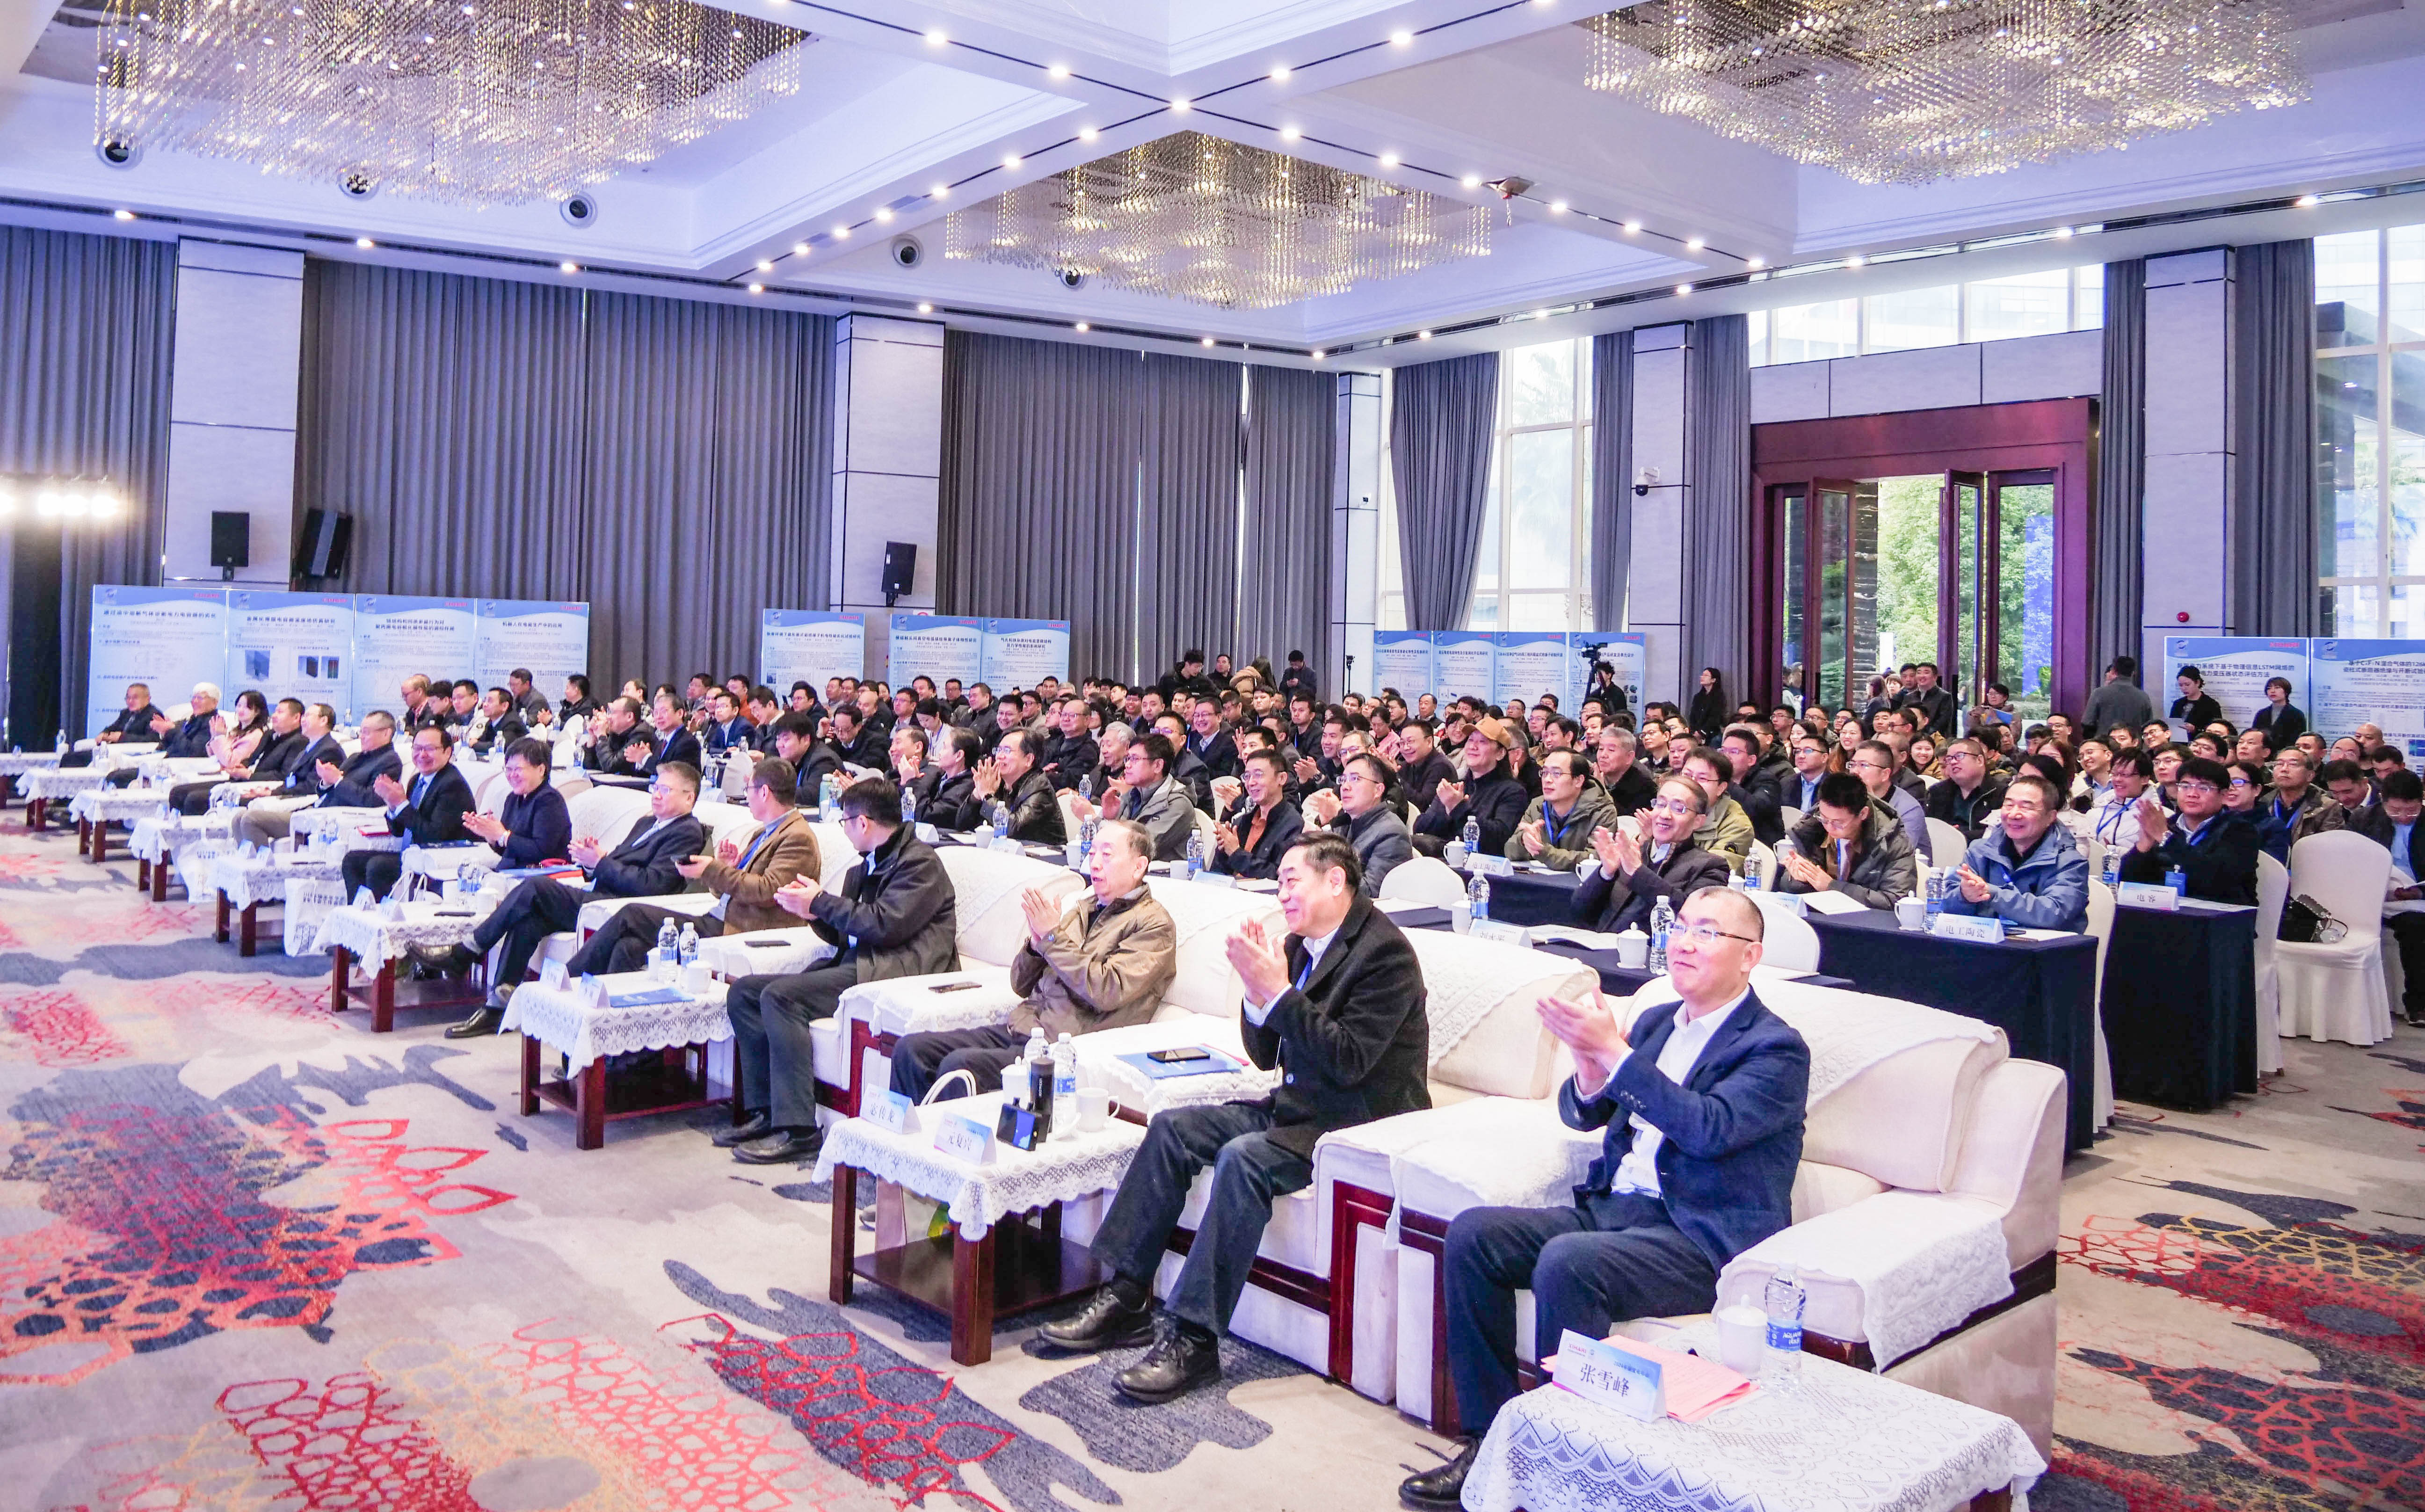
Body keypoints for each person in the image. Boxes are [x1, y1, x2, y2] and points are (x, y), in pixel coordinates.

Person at [1400, 888, 1808, 1510]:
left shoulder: (1775, 1048)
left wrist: (1614, 1054)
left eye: (1707, 932)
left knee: (1569, 1262)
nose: (1684, 943)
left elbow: (1707, 1130)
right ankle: (1492, 1446)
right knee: (1474, 1235)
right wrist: (1590, 1073)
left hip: (1696, 1236)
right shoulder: (1657, 1021)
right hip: (1614, 1209)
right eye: (1680, 927)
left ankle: (1567, 1473)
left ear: (1750, 956)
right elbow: (1583, 1113)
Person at [1041, 834, 1428, 1401]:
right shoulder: (1300, 944)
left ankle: (1195, 1340)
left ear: (1335, 880)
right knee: (1174, 1128)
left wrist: (1279, 994)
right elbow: (1267, 1054)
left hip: (1354, 1127)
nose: (1282, 894)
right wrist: (1255, 994)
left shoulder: (1385, 955)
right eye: (1280, 883)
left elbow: (1350, 1061)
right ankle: (1126, 1296)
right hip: (1296, 1110)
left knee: (1243, 1159)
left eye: (1292, 881)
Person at [722, 779, 959, 1164]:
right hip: (861, 963)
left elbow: (884, 926)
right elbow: (845, 932)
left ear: (862, 822)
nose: (845, 830)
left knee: (781, 998)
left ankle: (800, 1130)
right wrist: (811, 911)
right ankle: (766, 1112)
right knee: (745, 993)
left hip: (895, 971)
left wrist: (820, 902)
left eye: (846, 822)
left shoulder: (920, 865)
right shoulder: (865, 865)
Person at [888, 819, 1178, 1101]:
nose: (1095, 863)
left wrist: (1052, 938)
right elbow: (1020, 984)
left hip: (1062, 1051)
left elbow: (1106, 990)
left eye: (1107, 855)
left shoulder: (1154, 925)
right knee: (911, 1050)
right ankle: (910, 1134)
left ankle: (950, 1134)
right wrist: (1036, 947)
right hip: (1025, 1031)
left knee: (960, 1067)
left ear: (1139, 866)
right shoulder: (1083, 909)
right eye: (1092, 853)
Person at [426, 763, 708, 1037]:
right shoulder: (647, 823)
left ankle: (466, 952)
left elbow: (651, 885)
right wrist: (592, 861)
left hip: (617, 908)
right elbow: (615, 864)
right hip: (599, 894)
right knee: (528, 920)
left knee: (535, 888)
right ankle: (495, 1009)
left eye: (666, 790)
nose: (656, 795)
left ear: (689, 798)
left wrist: (601, 863)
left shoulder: (686, 832)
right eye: (655, 787)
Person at [565, 757, 820, 978]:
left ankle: (566, 981)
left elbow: (769, 892)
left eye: (748, 788)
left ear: (764, 792)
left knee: (631, 914)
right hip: (720, 918)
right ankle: (607, 1015)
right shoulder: (764, 833)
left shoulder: (797, 837)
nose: (746, 795)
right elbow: (730, 889)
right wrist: (728, 867)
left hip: (740, 929)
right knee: (628, 947)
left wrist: (713, 869)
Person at [1571, 776, 1731, 934]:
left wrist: (1638, 872)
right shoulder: (1633, 851)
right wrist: (1605, 874)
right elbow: (1579, 911)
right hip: (1601, 943)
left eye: (1678, 808)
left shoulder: (1711, 866)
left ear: (1698, 821)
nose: (1665, 815)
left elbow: (1692, 918)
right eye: (1660, 804)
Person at [341, 725, 475, 902]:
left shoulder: (452, 785)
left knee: (378, 866)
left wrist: (401, 804)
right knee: (352, 861)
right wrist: (392, 804)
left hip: (436, 860)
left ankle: (381, 916)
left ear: (447, 752)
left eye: (430, 749)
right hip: (412, 855)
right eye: (417, 748)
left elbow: (434, 835)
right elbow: (398, 831)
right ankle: (359, 913)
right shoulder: (416, 780)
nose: (422, 755)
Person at [1941, 773, 2090, 931]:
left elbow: (2054, 913)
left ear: (2050, 817)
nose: (2013, 814)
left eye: (2026, 807)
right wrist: (1964, 896)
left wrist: (1993, 894)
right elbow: (1945, 904)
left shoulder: (2070, 863)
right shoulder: (1979, 852)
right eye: (2008, 805)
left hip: (2046, 946)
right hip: (1986, 943)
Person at [2117, 755, 2260, 906]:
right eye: (2185, 786)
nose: (2192, 794)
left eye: (2204, 788)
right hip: (2168, 912)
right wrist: (2143, 847)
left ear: (2224, 795)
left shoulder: (2240, 830)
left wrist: (2166, 838)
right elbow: (2127, 883)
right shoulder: (2169, 825)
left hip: (2219, 915)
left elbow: (2217, 881)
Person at [1777, 771, 1918, 908]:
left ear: (1863, 814)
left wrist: (1832, 887)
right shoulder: (1811, 830)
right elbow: (1787, 889)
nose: (1829, 828)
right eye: (1824, 819)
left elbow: (1895, 900)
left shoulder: (1893, 841)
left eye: (1838, 823)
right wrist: (1800, 880)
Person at [2355, 770, 2425, 1025]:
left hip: (2417, 901)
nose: (2404, 817)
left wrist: (2419, 891)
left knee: (2415, 927)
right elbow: (2350, 862)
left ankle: (2417, 1004)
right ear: (2383, 801)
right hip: (2372, 896)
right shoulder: (2364, 820)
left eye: (2412, 811)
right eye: (2395, 811)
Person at [1071, 732, 1197, 861]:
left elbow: (1141, 848)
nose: (1127, 765)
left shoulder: (1179, 805)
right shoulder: (1132, 795)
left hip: (1166, 873)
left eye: (1135, 759)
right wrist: (1110, 817)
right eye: (1128, 758)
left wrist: (1093, 819)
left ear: (1158, 766)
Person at [1414, 718, 1528, 858]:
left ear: (1500, 753)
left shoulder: (1513, 792)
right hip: (1444, 862)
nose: (1473, 746)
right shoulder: (1458, 786)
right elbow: (1420, 827)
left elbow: (1499, 839)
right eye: (1471, 740)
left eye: (1483, 742)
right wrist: (1447, 810)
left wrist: (1458, 808)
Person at [1304, 752, 1413, 896]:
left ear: (1378, 790)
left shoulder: (1392, 833)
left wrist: (1324, 869)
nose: (1345, 787)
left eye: (1355, 779)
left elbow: (1370, 893)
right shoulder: (1344, 823)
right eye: (1343, 780)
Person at [455, 737, 572, 869]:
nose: (512, 775)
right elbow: (507, 851)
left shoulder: (550, 800)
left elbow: (542, 852)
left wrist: (502, 835)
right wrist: (491, 836)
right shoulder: (513, 798)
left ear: (541, 770)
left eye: (518, 769)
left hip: (541, 876)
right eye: (509, 769)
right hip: (512, 872)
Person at [1506, 749, 1618, 871]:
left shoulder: (1602, 811)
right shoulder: (1537, 806)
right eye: (1544, 773)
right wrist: (1524, 841)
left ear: (1579, 780)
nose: (1547, 780)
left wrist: (1545, 852)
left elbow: (1596, 859)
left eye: (1556, 774)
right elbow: (1509, 850)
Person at [1212, 749, 1302, 880]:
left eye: (1259, 775)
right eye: (1247, 776)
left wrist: (1235, 853)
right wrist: (1224, 851)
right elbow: (1217, 874)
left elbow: (1278, 875)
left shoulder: (1293, 825)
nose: (1251, 783)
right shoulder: (1242, 821)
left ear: (1282, 779)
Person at [971, 728, 1064, 845]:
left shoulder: (1040, 788)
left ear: (1029, 759)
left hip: (1045, 854)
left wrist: (987, 796)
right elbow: (962, 825)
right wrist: (977, 794)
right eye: (999, 750)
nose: (999, 756)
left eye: (1007, 751)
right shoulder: (998, 783)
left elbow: (1014, 829)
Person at [2252, 747, 2344, 861]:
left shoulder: (2326, 807)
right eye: (2279, 764)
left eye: (2293, 764)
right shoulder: (2261, 802)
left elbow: (2329, 852)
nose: (2284, 769)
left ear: (2310, 775)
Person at [1678, 746, 1753, 873]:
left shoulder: (1738, 825)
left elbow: (1712, 871)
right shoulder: (1668, 809)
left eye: (1703, 778)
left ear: (1721, 788)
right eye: (1687, 775)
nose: (1691, 783)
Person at [1846, 739, 1928, 855]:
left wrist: (1873, 802)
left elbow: (1899, 854)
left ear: (1885, 774)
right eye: (1853, 765)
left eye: (1864, 765)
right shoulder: (1849, 796)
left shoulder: (1908, 809)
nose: (1855, 771)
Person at [1924, 738, 2010, 842]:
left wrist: (1959, 835)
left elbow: (2000, 833)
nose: (1953, 762)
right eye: (1949, 759)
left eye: (1960, 756)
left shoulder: (2001, 793)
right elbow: (1929, 829)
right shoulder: (1938, 792)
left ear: (1979, 760)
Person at [316, 710, 405, 809]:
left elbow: (371, 800)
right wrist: (326, 781)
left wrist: (337, 780)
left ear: (386, 734)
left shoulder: (390, 761)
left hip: (347, 815)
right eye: (361, 732)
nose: (361, 737)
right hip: (323, 809)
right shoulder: (354, 757)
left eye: (366, 732)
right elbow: (325, 793)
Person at [62, 683, 155, 766]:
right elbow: (112, 728)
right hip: (113, 748)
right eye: (128, 698)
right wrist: (104, 734)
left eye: (135, 698)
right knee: (70, 757)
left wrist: (122, 737)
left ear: (148, 699)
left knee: (72, 759)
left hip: (126, 752)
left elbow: (151, 739)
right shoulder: (126, 713)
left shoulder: (153, 715)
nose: (130, 701)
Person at [2081, 656, 2157, 740]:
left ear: (2113, 671)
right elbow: (2149, 726)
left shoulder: (2099, 693)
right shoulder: (2144, 697)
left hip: (2105, 744)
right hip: (2134, 746)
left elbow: (2087, 723)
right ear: (2133, 673)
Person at [1590, 726, 1657, 817]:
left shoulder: (1646, 787)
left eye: (1611, 750)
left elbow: (1626, 821)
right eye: (1601, 749)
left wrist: (1602, 792)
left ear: (1629, 757)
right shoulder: (1591, 778)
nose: (1603, 755)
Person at [1895, 660, 1957, 738]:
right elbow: (1902, 717)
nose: (1922, 676)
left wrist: (1922, 736)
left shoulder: (1945, 697)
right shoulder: (1909, 697)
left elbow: (1942, 723)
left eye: (1926, 673)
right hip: (1909, 738)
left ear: (1935, 677)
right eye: (1919, 673)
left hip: (1934, 739)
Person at [2169, 667, 2223, 733]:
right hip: (2178, 738)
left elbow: (2217, 728)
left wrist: (2195, 729)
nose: (2184, 688)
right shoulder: (2178, 703)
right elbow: (2172, 724)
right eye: (2181, 685)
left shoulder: (2211, 705)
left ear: (2197, 683)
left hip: (2201, 738)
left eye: (2187, 685)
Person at [1685, 667, 1728, 741]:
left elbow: (1715, 718)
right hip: (1696, 733)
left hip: (1712, 733)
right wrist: (1694, 731)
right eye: (1702, 675)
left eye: (1706, 675)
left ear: (1714, 680)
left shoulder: (1719, 697)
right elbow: (1693, 716)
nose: (1702, 677)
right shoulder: (1698, 697)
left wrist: (1702, 733)